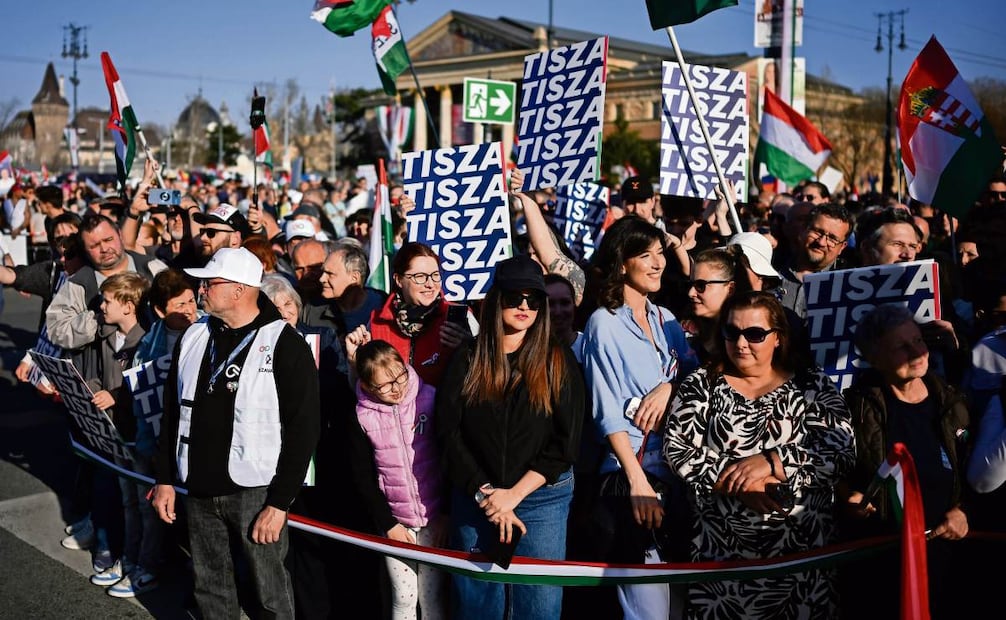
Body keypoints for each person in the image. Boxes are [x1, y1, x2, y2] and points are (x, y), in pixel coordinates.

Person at [151, 247, 320, 619]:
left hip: (256, 492)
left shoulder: (286, 344)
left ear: (240, 290)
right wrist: (164, 479)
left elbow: (303, 431)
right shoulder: (195, 335)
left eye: (210, 283)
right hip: (197, 485)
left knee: (270, 593)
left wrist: (278, 503)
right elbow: (172, 413)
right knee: (210, 587)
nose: (201, 290)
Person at [664, 291, 855, 618]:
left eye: (754, 334)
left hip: (800, 566)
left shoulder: (811, 385)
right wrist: (741, 483)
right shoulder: (702, 385)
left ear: (778, 337)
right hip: (722, 566)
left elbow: (840, 450)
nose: (741, 343)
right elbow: (678, 449)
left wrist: (773, 461)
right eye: (731, 332)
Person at [436, 254, 585, 619]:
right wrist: (486, 494)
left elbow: (566, 443)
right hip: (477, 499)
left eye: (534, 300)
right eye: (515, 297)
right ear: (496, 298)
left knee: (539, 607)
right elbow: (448, 432)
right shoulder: (469, 357)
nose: (524, 306)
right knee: (477, 607)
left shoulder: (558, 359)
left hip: (541, 501)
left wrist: (513, 497)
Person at [580, 216, 698, 620]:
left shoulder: (667, 319)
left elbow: (697, 378)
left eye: (660, 253)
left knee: (683, 609)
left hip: (680, 481)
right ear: (621, 264)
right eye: (644, 255)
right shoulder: (603, 324)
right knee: (647, 612)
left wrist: (671, 387)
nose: (657, 263)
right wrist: (636, 481)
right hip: (634, 481)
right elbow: (606, 410)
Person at [839, 304, 973, 619]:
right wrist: (847, 498)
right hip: (884, 567)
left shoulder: (953, 403)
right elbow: (837, 473)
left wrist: (963, 511)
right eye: (901, 346)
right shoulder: (855, 408)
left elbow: (975, 475)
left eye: (918, 341)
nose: (916, 352)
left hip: (947, 559)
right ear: (874, 358)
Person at [348, 340, 447, 620]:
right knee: (404, 597)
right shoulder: (361, 417)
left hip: (433, 518)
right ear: (367, 386)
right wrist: (388, 524)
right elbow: (363, 477)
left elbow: (448, 457)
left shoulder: (429, 398)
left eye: (400, 376)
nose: (397, 388)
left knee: (432, 595)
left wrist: (445, 515)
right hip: (396, 522)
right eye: (385, 385)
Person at [78, 272, 151, 590]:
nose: (102, 307)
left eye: (107, 301)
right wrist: (91, 389)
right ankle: (128, 557)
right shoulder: (106, 336)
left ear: (128, 305)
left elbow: (151, 383)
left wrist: (117, 395)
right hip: (113, 432)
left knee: (144, 504)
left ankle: (144, 565)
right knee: (128, 502)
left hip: (137, 433)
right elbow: (92, 373)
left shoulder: (146, 339)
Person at [347, 242, 471, 387]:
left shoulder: (459, 317)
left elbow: (486, 375)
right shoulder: (377, 323)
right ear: (399, 280)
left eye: (435, 275)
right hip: (394, 409)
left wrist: (468, 348)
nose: (430, 284)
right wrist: (355, 361)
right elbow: (359, 388)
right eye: (420, 276)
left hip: (445, 408)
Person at [683, 246, 751, 364]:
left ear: (730, 289)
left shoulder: (746, 339)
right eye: (690, 284)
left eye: (701, 285)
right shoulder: (685, 330)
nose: (691, 293)